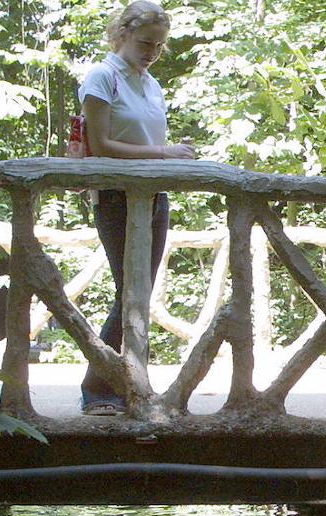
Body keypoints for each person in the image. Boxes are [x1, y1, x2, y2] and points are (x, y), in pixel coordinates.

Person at [78, 0, 195, 415]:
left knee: (138, 294)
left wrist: (169, 159)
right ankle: (99, 390)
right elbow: (102, 145)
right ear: (122, 34)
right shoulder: (101, 77)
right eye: (146, 43)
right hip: (115, 197)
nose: (152, 52)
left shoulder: (151, 83)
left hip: (153, 197)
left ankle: (126, 384)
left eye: (160, 46)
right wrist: (166, 153)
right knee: (129, 291)